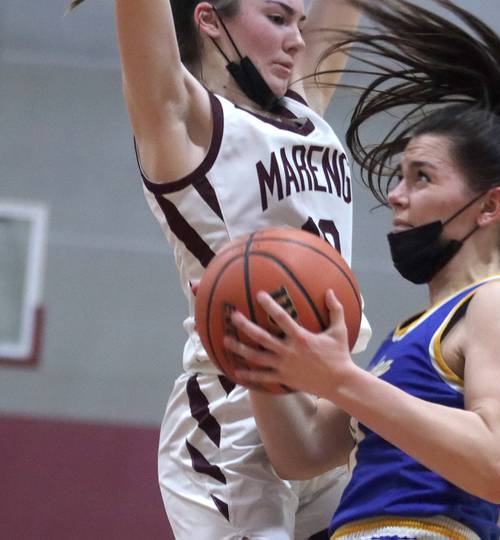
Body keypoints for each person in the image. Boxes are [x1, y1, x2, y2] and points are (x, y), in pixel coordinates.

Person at [221, 1, 500, 538]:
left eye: (421, 177)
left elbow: (499, 465)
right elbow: (301, 453)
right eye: (400, 176)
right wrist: (257, 354)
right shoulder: (406, 338)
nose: (396, 196)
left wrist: (343, 380)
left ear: (490, 206)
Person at [68, 0, 370, 538]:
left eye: (300, 22)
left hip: (329, 403)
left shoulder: (304, 106)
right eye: (278, 19)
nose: (298, 39)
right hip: (233, 419)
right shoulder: (182, 121)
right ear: (208, 20)